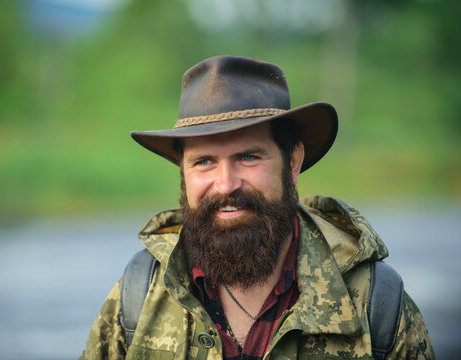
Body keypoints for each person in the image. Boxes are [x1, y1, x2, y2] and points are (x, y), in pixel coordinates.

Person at [79, 55, 435, 359]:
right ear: (183, 173)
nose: (226, 184)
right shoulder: (138, 296)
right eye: (203, 161)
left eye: (248, 157)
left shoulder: (376, 305)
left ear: (293, 162)